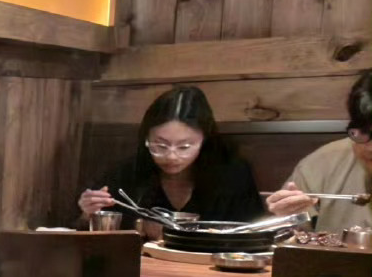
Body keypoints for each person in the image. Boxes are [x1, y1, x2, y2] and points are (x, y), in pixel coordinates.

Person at [78, 85, 264, 224]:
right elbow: (93, 235)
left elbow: (252, 233)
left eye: (184, 147)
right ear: (146, 138)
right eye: (160, 145)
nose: (171, 156)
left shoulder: (232, 174)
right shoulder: (127, 173)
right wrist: (87, 214)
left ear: (205, 140)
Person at [266, 69, 372, 232]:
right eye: (363, 132)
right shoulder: (321, 164)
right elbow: (287, 234)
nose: (370, 148)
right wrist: (288, 219)